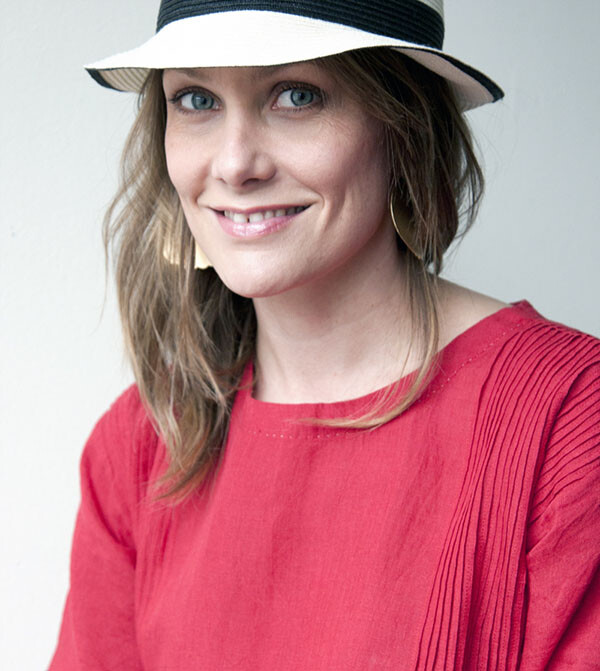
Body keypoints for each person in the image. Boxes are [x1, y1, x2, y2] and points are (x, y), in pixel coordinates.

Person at [50, 1, 600, 669]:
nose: (234, 164)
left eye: (297, 95)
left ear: (404, 124)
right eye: (196, 99)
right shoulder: (141, 441)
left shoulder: (567, 418)